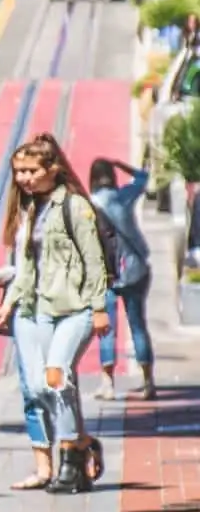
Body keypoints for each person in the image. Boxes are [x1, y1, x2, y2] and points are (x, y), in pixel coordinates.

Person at [0, 133, 110, 494]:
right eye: (18, 172)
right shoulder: (31, 210)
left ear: (52, 169)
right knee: (41, 387)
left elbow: (94, 260)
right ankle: (82, 443)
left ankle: (71, 461)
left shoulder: (75, 207)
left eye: (30, 171)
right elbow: (26, 264)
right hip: (38, 307)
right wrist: (9, 302)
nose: (23, 178)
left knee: (56, 376)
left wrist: (99, 309)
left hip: (76, 308)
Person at [88, 158, 155, 400]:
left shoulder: (89, 203)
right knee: (138, 325)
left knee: (107, 329)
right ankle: (148, 382)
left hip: (106, 273)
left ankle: (107, 383)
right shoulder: (124, 196)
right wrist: (121, 165)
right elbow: (144, 177)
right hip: (135, 269)